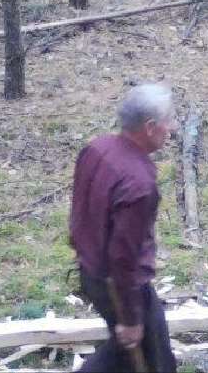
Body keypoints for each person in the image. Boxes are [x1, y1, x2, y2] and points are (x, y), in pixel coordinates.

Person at [68, 83, 179, 373]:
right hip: (118, 286)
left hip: (91, 273)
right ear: (151, 127)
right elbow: (124, 255)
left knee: (137, 353)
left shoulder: (97, 147)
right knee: (149, 357)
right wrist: (130, 318)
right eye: (169, 121)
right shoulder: (138, 184)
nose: (173, 128)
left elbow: (79, 210)